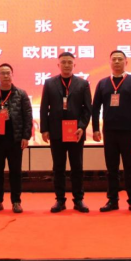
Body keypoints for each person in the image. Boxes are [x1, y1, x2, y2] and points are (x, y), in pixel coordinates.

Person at [92, 50, 131, 214]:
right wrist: (95, 129)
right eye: (114, 59)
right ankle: (112, 200)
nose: (117, 62)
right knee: (112, 169)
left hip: (129, 132)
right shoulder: (103, 83)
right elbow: (95, 108)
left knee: (130, 167)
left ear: (126, 62)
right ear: (110, 62)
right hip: (109, 132)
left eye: (120, 59)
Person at [40, 52, 92, 213]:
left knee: (77, 167)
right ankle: (60, 200)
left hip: (75, 132)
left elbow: (87, 109)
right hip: (56, 131)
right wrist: (44, 129)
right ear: (58, 65)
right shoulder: (49, 83)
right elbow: (44, 107)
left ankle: (78, 200)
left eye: (70, 62)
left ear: (74, 65)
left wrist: (82, 127)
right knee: (58, 168)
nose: (67, 65)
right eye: (63, 62)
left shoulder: (83, 84)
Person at [0, 64, 33, 214]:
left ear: (12, 75)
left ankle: (16, 202)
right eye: (2, 73)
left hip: (15, 139)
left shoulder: (21, 94)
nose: (6, 76)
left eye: (8, 73)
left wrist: (26, 136)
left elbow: (28, 116)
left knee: (16, 172)